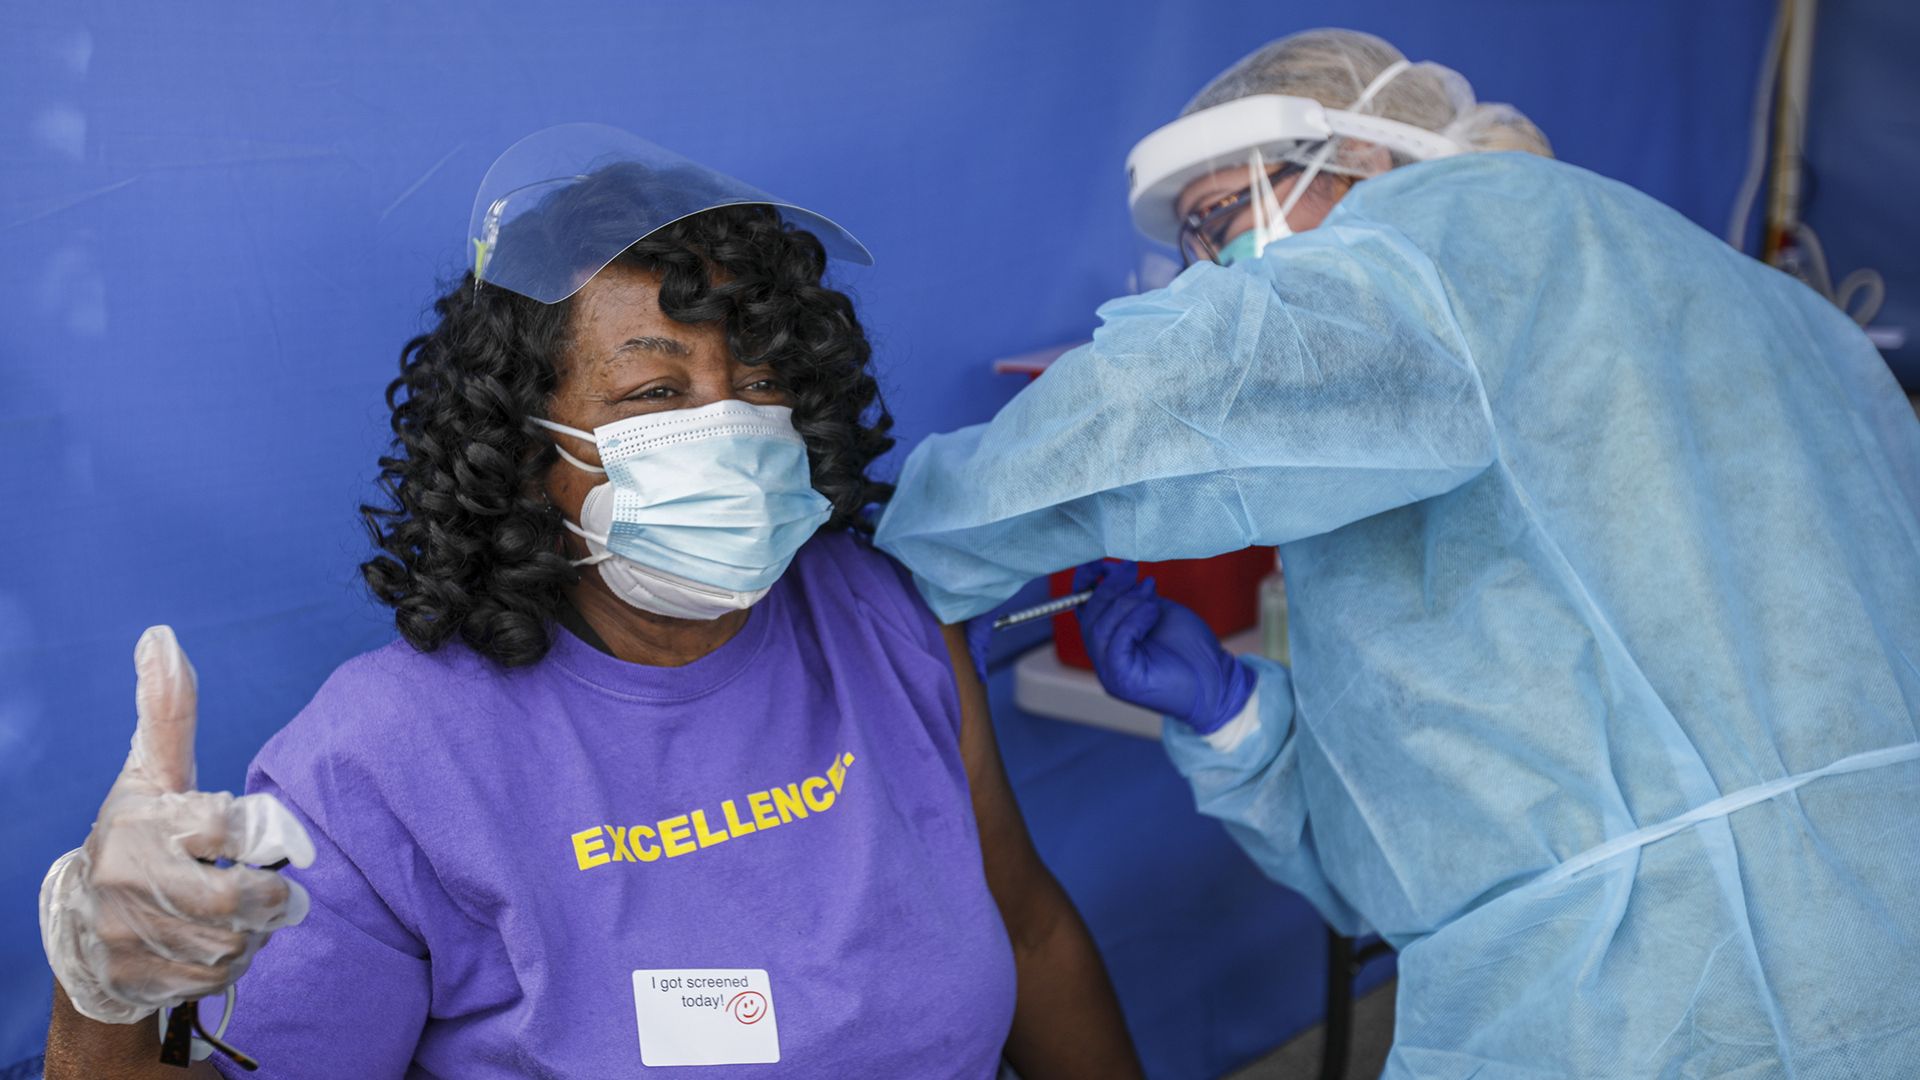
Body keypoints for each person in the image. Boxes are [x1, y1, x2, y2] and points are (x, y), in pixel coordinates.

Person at [875, 29, 1920, 1079]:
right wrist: (1237, 720)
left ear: (1362, 157)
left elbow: (1164, 403)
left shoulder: (1447, 240)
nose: (1207, 270)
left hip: (1665, 1007)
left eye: (1217, 218)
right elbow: (1437, 852)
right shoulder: (1783, 315)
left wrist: (906, 543)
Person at [40, 124, 1143, 1079]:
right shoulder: (380, 768)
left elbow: (1032, 930)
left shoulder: (877, 618)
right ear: (524, 453)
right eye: (659, 392)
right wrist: (102, 1004)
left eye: (760, 384)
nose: (734, 428)